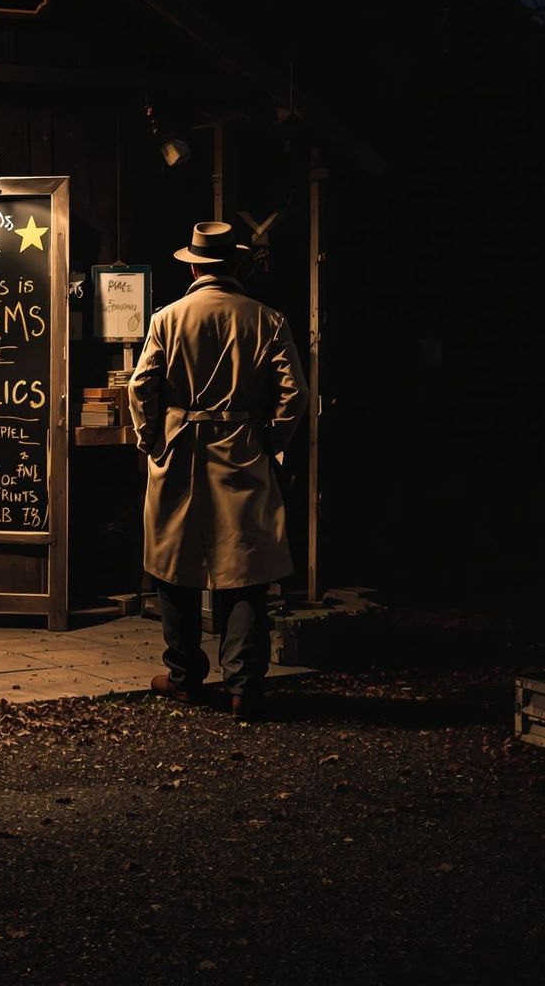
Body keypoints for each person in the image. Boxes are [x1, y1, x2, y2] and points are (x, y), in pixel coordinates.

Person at [128, 220, 310, 718]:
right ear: (236, 265)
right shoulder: (267, 319)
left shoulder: (167, 318)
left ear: (193, 267)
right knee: (246, 568)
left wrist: (151, 439)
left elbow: (141, 387)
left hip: (179, 450)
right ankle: (244, 685)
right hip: (242, 448)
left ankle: (185, 677)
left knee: (174, 566)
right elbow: (295, 395)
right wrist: (270, 441)